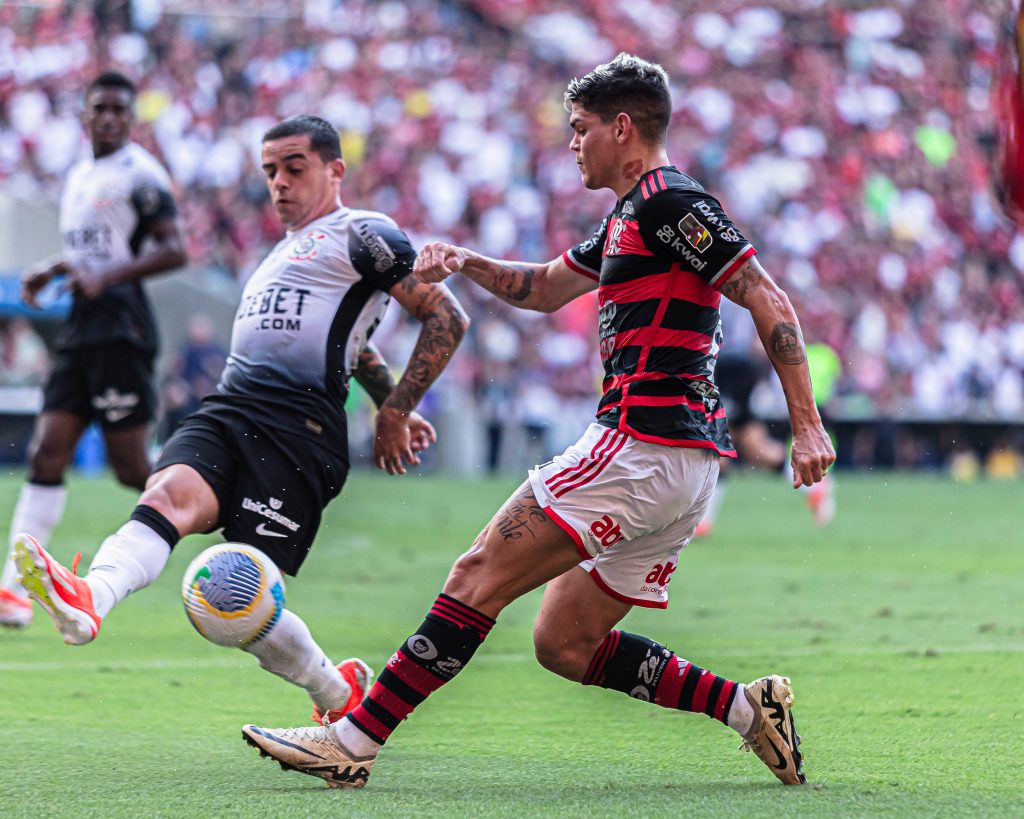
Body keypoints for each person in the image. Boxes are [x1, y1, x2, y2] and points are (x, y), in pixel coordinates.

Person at [240, 54, 835, 788]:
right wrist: (464, 260)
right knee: (566, 641)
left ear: (624, 128)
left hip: (638, 447)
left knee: (477, 573)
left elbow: (767, 296)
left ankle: (355, 736)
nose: (573, 144)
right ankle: (749, 710)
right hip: (682, 467)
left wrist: (805, 423)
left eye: (581, 130)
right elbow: (547, 288)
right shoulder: (629, 216)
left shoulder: (670, 204)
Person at [13, 115, 469, 725]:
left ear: (335, 169)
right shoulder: (280, 254)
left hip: (299, 430)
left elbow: (447, 317)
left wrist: (395, 410)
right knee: (166, 493)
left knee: (237, 600)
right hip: (230, 407)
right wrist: (387, 390)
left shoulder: (364, 233)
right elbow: (356, 346)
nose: (279, 183)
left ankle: (337, 696)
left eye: (294, 168)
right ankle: (90, 598)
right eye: (270, 171)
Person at [0, 71, 187, 628]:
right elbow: (89, 251)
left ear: (130, 118)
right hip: (83, 325)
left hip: (121, 327)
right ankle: (13, 589)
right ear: (85, 114)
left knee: (133, 469)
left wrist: (110, 278)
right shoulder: (81, 173)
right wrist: (52, 268)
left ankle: (212, 504)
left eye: (118, 111)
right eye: (99, 108)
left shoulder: (142, 175)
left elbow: (174, 249)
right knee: (46, 452)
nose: (108, 118)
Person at [694, 300, 835, 538]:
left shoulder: (729, 292)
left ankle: (703, 522)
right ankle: (814, 488)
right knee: (755, 451)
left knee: (725, 455)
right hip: (724, 368)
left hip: (729, 370)